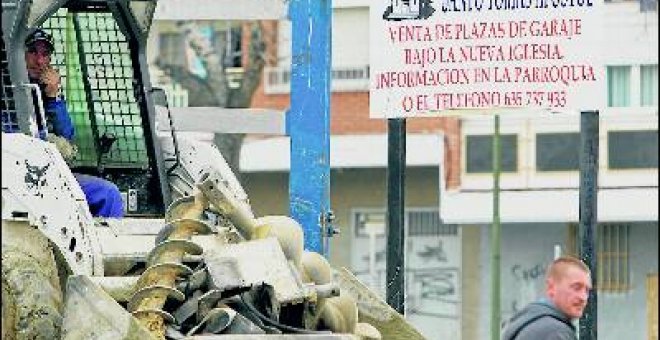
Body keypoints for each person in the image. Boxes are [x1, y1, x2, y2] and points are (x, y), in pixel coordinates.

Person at [25, 28, 124, 218]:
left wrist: (54, 96)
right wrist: (45, 140)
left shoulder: (44, 92)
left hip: (48, 173)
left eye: (45, 54)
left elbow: (67, 134)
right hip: (21, 176)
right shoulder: (8, 91)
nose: (39, 61)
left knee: (109, 194)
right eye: (33, 52)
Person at [502, 256, 592, 340]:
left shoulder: (527, 323)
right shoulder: (555, 332)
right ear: (551, 287)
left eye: (587, 290)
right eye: (576, 287)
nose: (583, 297)